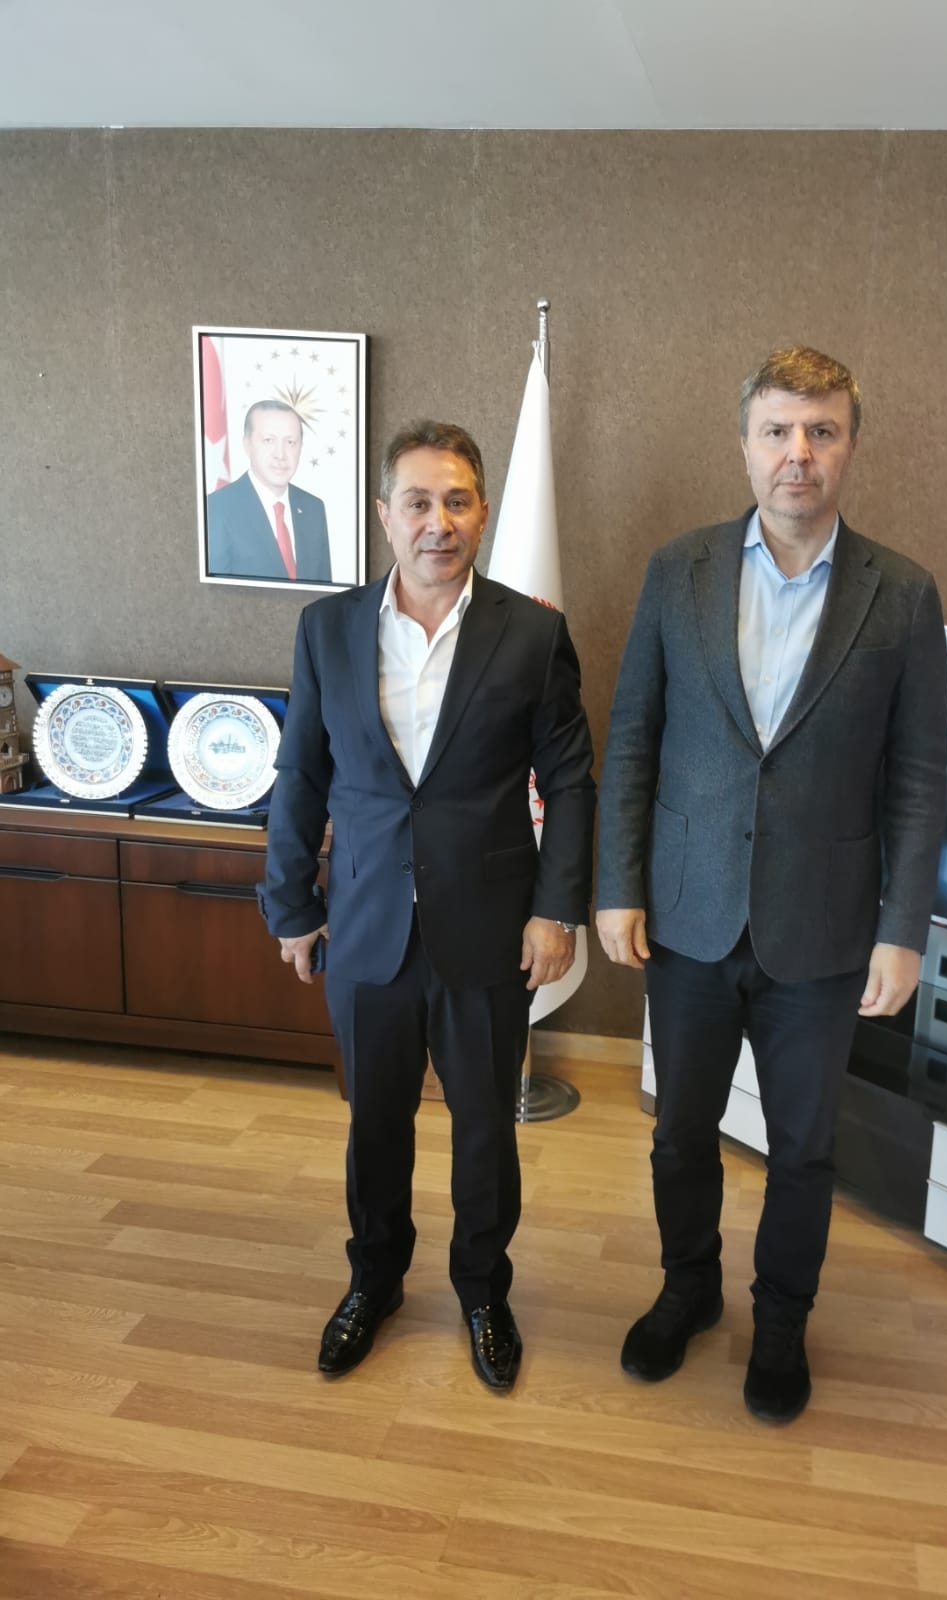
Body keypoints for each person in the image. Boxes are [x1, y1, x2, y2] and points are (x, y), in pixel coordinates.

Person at [596, 346, 947, 1424]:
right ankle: (688, 1289)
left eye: (822, 431)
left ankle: (782, 1321)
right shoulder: (678, 570)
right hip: (689, 916)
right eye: (779, 431)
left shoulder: (903, 593)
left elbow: (919, 776)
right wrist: (616, 883)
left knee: (803, 1147)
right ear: (746, 444)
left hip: (825, 932)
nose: (800, 452)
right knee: (679, 1132)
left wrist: (902, 928)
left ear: (851, 446)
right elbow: (634, 735)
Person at [260, 421, 595, 1391]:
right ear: (384, 515)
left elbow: (570, 781)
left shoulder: (532, 633)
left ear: (482, 513)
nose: (436, 523)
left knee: (485, 1126)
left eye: (456, 502)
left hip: (488, 930)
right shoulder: (327, 629)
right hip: (364, 924)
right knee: (376, 1124)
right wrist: (291, 904)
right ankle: (374, 1282)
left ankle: (483, 1291)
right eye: (417, 502)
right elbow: (301, 773)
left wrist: (557, 911)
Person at [207, 400, 332, 583]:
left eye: (290, 442)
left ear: (300, 448)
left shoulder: (313, 508)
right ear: (247, 444)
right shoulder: (216, 508)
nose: (280, 454)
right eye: (269, 440)